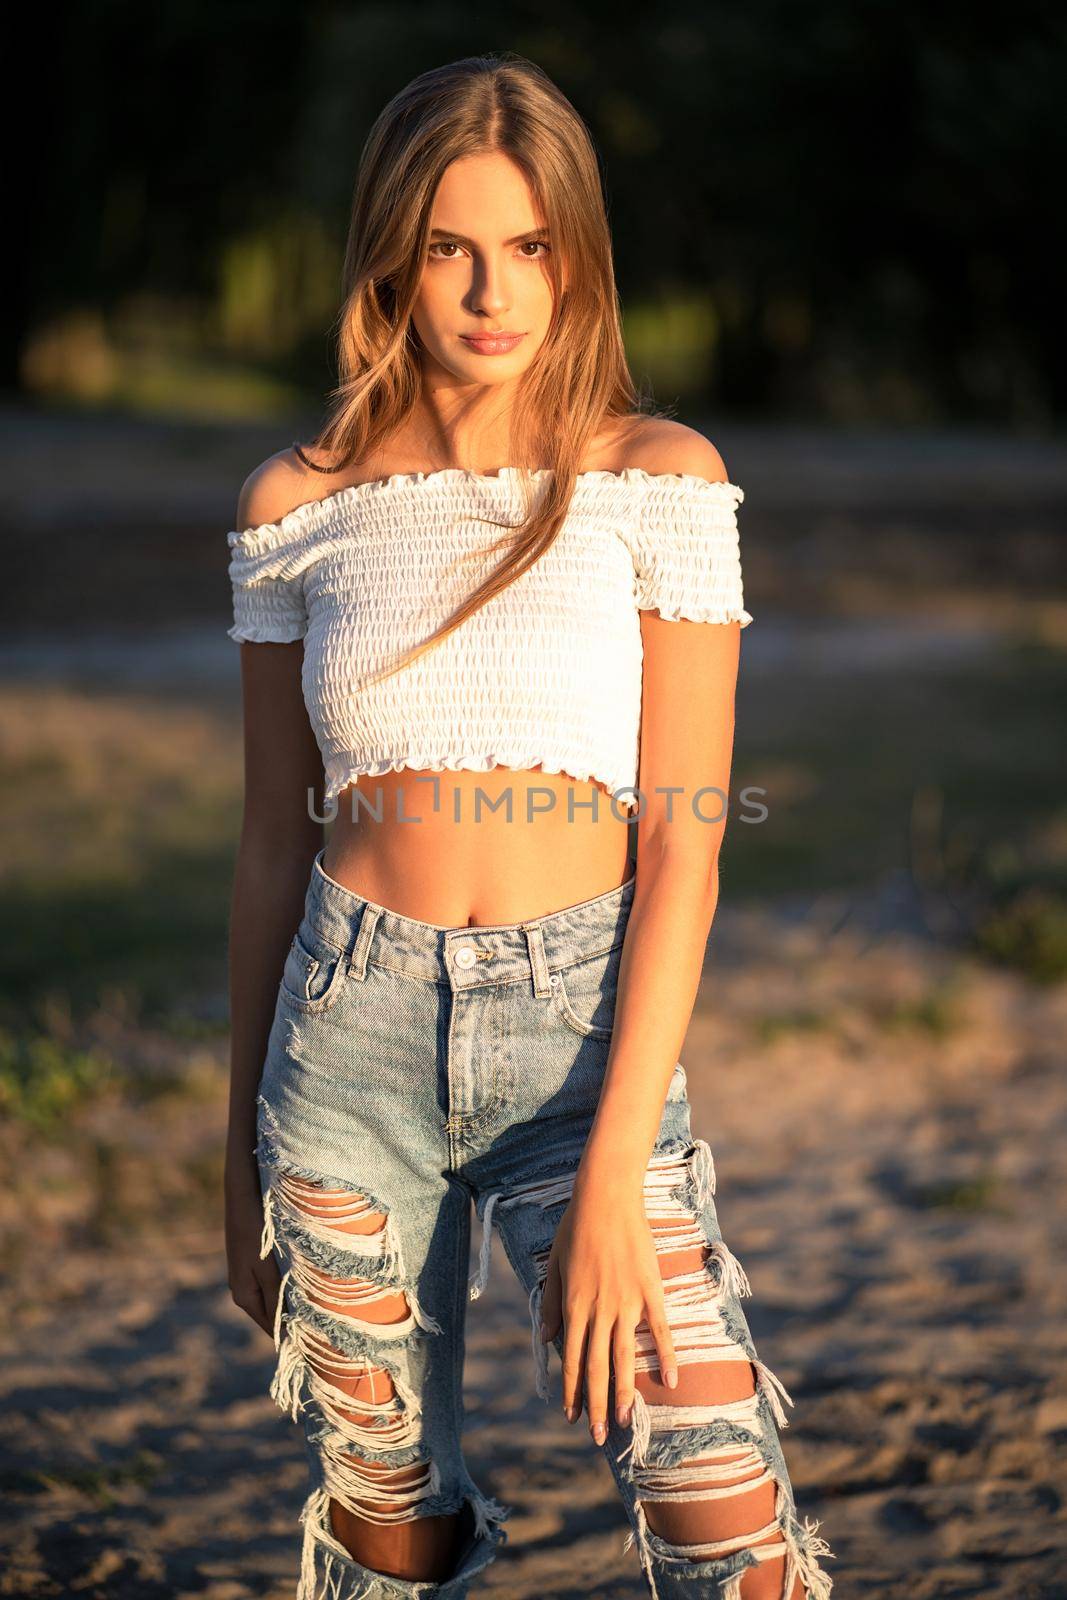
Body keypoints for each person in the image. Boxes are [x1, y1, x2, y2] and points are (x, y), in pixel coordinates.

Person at [223, 50, 835, 1600]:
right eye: (450, 249)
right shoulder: (300, 500)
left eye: (532, 249)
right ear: (390, 256)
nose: (494, 293)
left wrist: (625, 1166)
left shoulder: (656, 479)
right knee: (388, 1521)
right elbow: (267, 847)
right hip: (344, 1045)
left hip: (579, 1052)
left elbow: (687, 847)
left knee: (727, 1515)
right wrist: (234, 1161)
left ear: (579, 257)